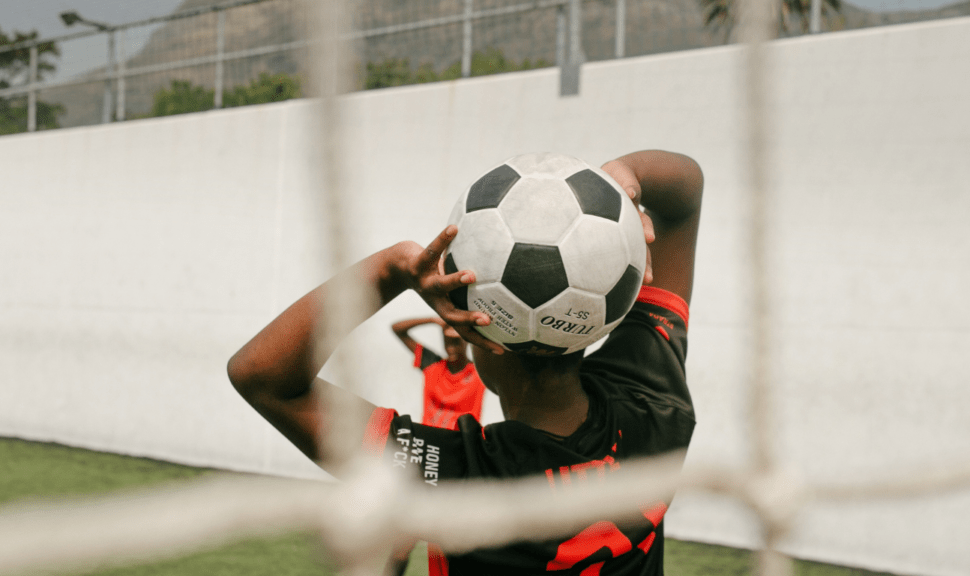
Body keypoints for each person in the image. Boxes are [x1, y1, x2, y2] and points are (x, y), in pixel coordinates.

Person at [227, 150, 703, 575]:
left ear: (483, 337)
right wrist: (626, 177)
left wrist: (393, 269)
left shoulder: (457, 479)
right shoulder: (655, 408)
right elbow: (684, 191)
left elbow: (261, 377)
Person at [391, 317, 487, 430]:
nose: (451, 348)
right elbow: (397, 329)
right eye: (447, 341)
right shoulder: (432, 365)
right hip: (430, 437)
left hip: (462, 442)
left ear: (466, 342)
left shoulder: (479, 372)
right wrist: (433, 319)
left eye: (456, 342)